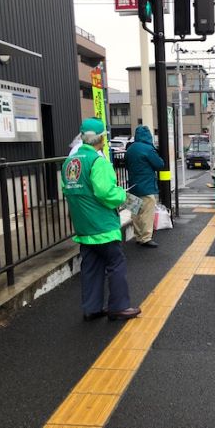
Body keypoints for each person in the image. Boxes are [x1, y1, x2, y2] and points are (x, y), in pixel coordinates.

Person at [62, 117, 141, 321]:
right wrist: (123, 195)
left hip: (82, 225)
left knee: (91, 266)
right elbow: (105, 192)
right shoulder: (98, 161)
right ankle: (118, 307)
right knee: (116, 263)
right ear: (101, 139)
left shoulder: (70, 162)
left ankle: (92, 308)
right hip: (102, 224)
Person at [125, 125, 165, 248]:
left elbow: (126, 164)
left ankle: (138, 236)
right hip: (146, 186)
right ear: (148, 136)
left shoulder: (130, 149)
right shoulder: (148, 149)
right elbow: (159, 164)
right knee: (147, 212)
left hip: (132, 185)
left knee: (135, 212)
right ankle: (146, 238)